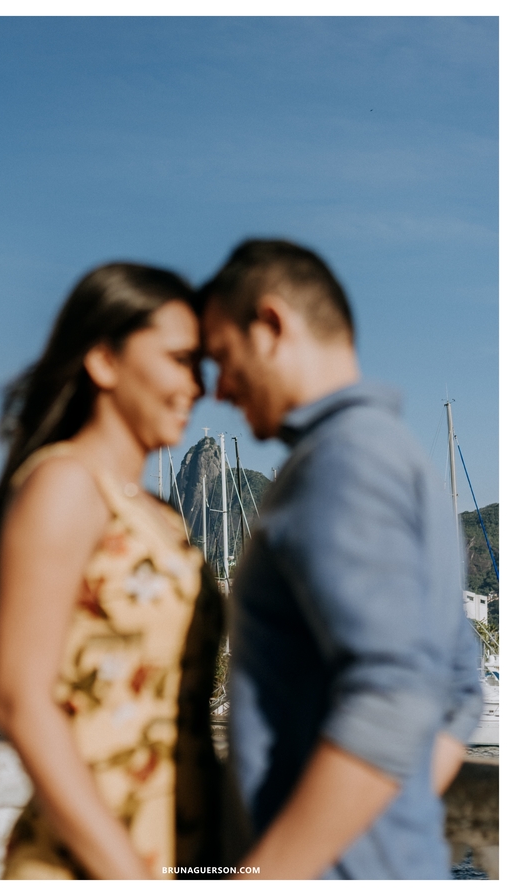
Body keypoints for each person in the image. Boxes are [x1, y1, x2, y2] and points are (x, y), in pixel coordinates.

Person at [199, 239, 484, 879]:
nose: (219, 389)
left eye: (223, 357)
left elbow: (392, 692)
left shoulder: (342, 465)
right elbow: (458, 691)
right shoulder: (396, 454)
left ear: (270, 325)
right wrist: (391, 822)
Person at [0, 263, 224, 880]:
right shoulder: (65, 485)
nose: (197, 385)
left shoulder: (164, 519)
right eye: (180, 360)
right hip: (90, 862)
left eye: (200, 365)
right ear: (104, 360)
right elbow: (20, 700)